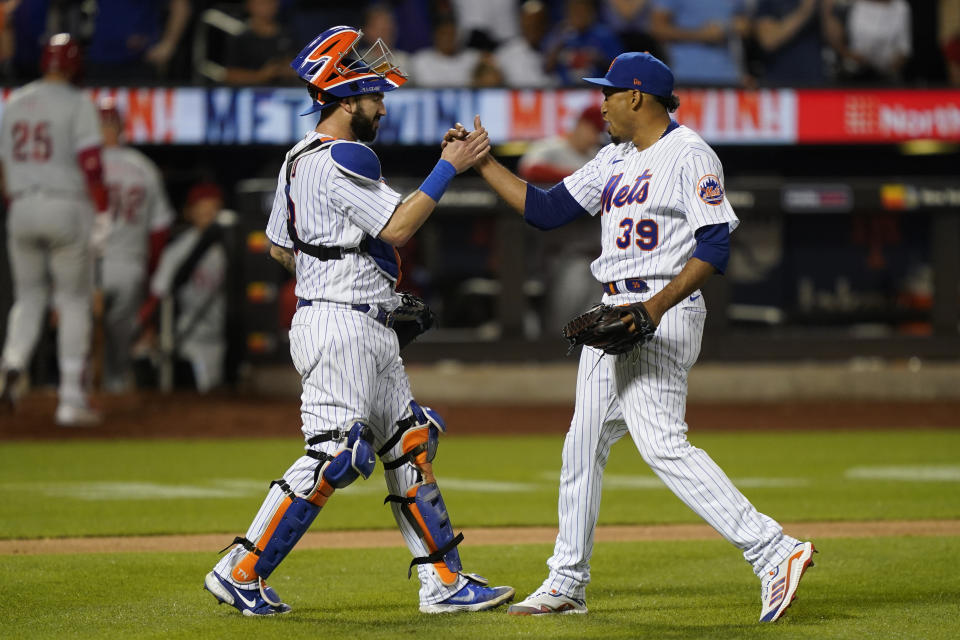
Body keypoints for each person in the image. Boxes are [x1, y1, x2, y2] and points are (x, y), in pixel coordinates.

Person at [452, 51, 815, 621]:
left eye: (609, 94)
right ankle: (567, 580)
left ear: (637, 97)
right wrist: (483, 163)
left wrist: (653, 308)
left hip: (663, 308)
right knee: (582, 443)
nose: (601, 104)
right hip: (617, 310)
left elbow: (715, 247)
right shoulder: (612, 160)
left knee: (661, 442)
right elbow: (545, 211)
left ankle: (774, 550)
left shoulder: (690, 153)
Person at [203, 25, 513, 616]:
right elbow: (397, 227)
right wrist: (449, 166)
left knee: (409, 444)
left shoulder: (297, 157)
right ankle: (241, 568)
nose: (380, 107)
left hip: (353, 319)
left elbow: (278, 247)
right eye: (373, 98)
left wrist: (360, 283)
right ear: (346, 101)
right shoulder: (349, 152)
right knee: (334, 455)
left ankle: (443, 582)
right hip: (340, 326)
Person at [0, 33, 111, 426]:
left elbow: (3, 168)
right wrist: (101, 212)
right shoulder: (78, 103)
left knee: (27, 296)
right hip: (66, 204)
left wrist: (18, 205)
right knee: (73, 300)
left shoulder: (13, 101)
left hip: (21, 206)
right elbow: (92, 163)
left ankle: (12, 362)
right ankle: (70, 399)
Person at [97, 99, 173, 393]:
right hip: (129, 264)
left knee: (86, 335)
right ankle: (113, 390)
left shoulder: (81, 167)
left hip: (94, 264)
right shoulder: (143, 168)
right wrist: (150, 272)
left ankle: (80, 394)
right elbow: (160, 230)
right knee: (119, 342)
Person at [140, 182, 228, 393]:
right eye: (202, 209)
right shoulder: (178, 251)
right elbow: (159, 294)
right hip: (188, 338)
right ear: (190, 212)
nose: (208, 214)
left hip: (221, 337)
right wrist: (149, 328)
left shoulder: (230, 248)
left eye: (213, 209)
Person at [650, 0, 750, 86]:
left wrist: (736, 26)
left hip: (729, 77)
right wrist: (700, 35)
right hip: (686, 77)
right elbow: (658, 30)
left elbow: (744, 25)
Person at [223, 0, 297, 86]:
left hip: (285, 92)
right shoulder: (240, 38)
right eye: (261, 3)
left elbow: (301, 69)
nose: (267, 7)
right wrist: (260, 76)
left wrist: (288, 71)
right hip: (251, 94)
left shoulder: (289, 35)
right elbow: (229, 75)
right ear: (249, 6)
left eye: (271, 2)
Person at [753, 0, 825, 86]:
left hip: (815, 82)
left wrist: (828, 10)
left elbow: (836, 41)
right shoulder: (769, 2)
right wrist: (805, 10)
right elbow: (768, 41)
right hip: (779, 82)